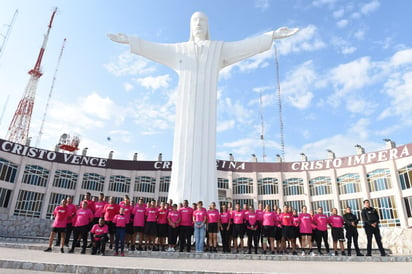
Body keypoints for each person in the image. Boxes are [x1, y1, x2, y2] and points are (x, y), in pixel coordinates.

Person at [108, 12, 298, 205]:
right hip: (185, 114)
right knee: (183, 155)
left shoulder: (218, 49)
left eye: (202, 21)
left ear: (208, 26)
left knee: (204, 155)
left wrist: (271, 35)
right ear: (190, 26)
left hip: (206, 115)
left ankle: (205, 207)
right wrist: (130, 41)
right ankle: (178, 206)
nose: (198, 24)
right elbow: (152, 47)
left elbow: (244, 46)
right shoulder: (179, 50)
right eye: (195, 21)